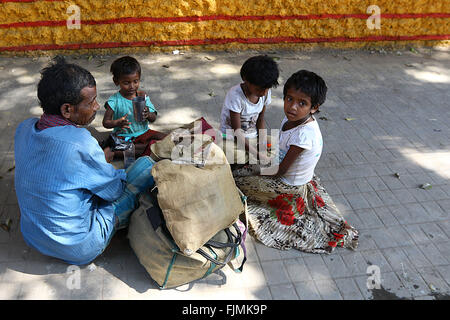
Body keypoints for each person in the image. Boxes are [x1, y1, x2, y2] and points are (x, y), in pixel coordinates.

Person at [14, 56, 156, 265]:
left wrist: (96, 162)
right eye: (91, 102)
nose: (97, 106)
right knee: (144, 167)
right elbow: (114, 190)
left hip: (34, 237)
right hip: (79, 246)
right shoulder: (80, 143)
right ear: (67, 110)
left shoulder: (24, 128)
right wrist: (105, 163)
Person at [233, 70, 359, 253]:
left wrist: (255, 170)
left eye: (302, 103)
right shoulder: (293, 118)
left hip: (286, 183)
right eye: (289, 99)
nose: (292, 107)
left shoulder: (303, 136)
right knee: (243, 163)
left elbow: (280, 171)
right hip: (281, 164)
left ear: (314, 108)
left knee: (238, 183)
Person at [219, 55, 279, 165]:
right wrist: (256, 153)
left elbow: (261, 120)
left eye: (267, 89)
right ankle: (249, 158)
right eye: (259, 89)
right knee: (230, 153)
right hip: (232, 138)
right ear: (246, 80)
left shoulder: (264, 94)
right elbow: (236, 131)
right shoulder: (235, 96)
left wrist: (262, 141)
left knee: (274, 144)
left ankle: (250, 158)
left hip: (252, 137)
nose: (264, 93)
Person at [102, 56, 166, 158]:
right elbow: (106, 122)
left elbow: (153, 118)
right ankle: (115, 153)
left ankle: (137, 148)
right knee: (151, 147)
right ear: (116, 81)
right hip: (124, 136)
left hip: (144, 132)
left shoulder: (142, 96)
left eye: (135, 81)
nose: (132, 86)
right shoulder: (114, 101)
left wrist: (148, 114)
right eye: (126, 83)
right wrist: (117, 122)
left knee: (166, 138)